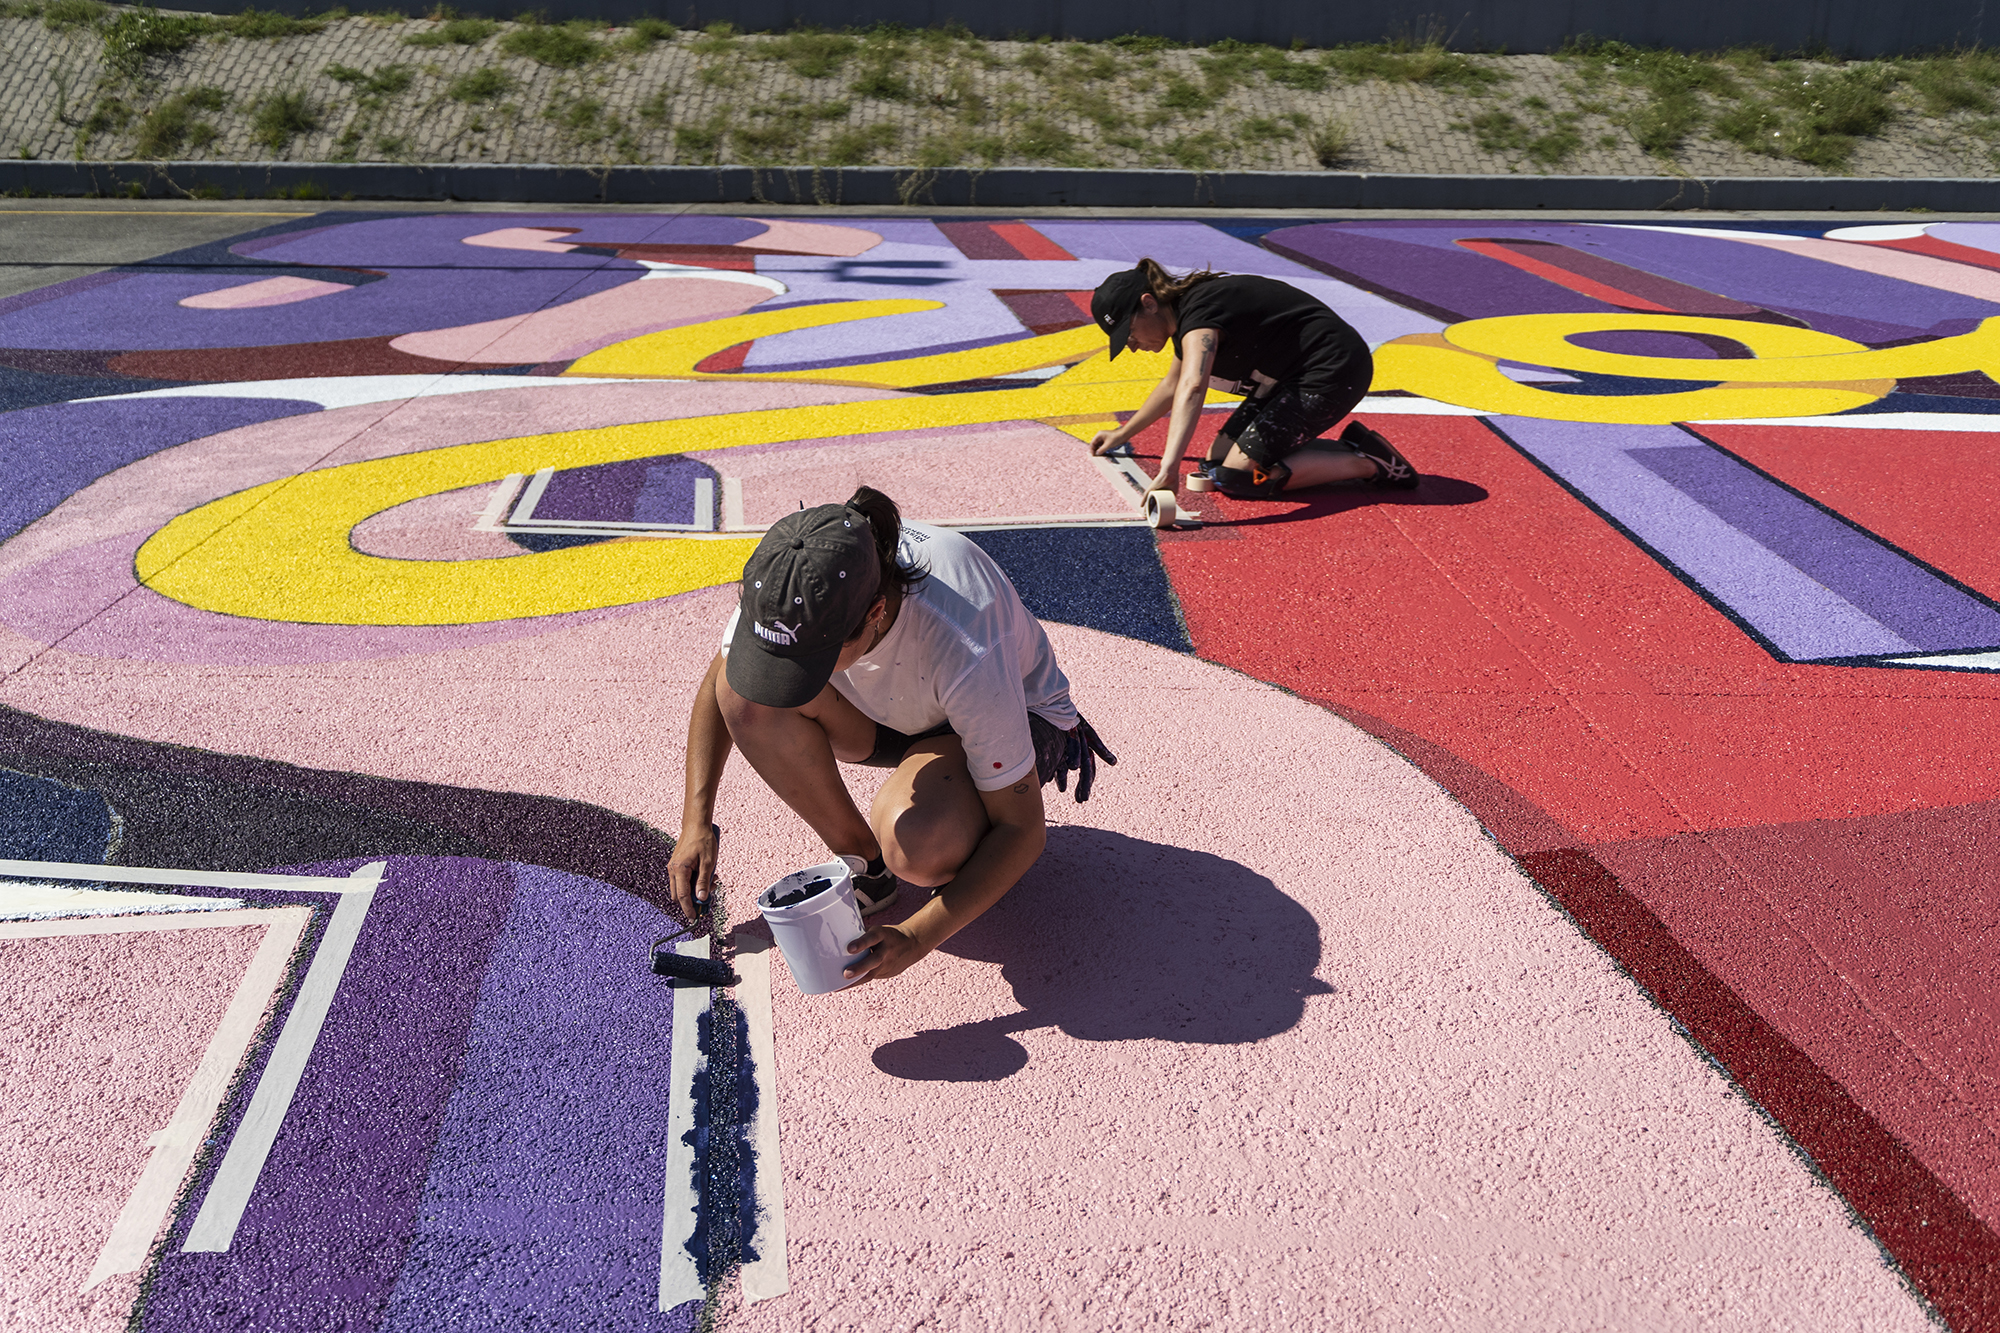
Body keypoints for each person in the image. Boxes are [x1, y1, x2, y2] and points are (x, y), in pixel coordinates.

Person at [667, 486, 1115, 986]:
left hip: (1020, 717)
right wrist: (695, 823)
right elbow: (723, 681)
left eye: (809, 663)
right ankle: (867, 868)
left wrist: (918, 935)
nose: (791, 681)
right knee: (744, 693)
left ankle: (943, 822)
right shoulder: (790, 587)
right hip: (905, 714)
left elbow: (1023, 831)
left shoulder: (965, 640)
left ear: (875, 612)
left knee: (918, 844)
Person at [1085, 258, 1420, 500]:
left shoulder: (1201, 315)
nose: (1130, 346)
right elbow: (1172, 385)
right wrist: (1122, 434)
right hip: (1288, 378)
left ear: (1149, 303)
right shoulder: (1187, 321)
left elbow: (1193, 387)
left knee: (1238, 477)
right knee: (1217, 462)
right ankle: (1352, 448)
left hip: (1333, 370)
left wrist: (1169, 468)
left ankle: (1368, 463)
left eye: (1127, 333)